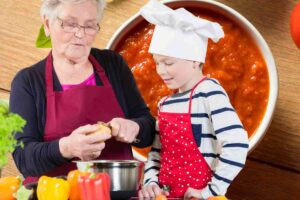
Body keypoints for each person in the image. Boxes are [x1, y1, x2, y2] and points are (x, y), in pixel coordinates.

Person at [9, 0, 155, 184]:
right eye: (70, 24)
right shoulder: (28, 82)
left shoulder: (113, 64)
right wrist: (67, 148)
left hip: (118, 192)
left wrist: (135, 128)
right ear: (47, 24)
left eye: (89, 25)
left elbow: (148, 128)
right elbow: (24, 159)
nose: (80, 34)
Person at [138, 0, 249, 199]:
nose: (161, 71)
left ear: (195, 60)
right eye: (157, 63)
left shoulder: (209, 92)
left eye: (168, 63)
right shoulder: (164, 104)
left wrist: (211, 192)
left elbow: (237, 144)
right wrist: (151, 182)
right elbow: (156, 155)